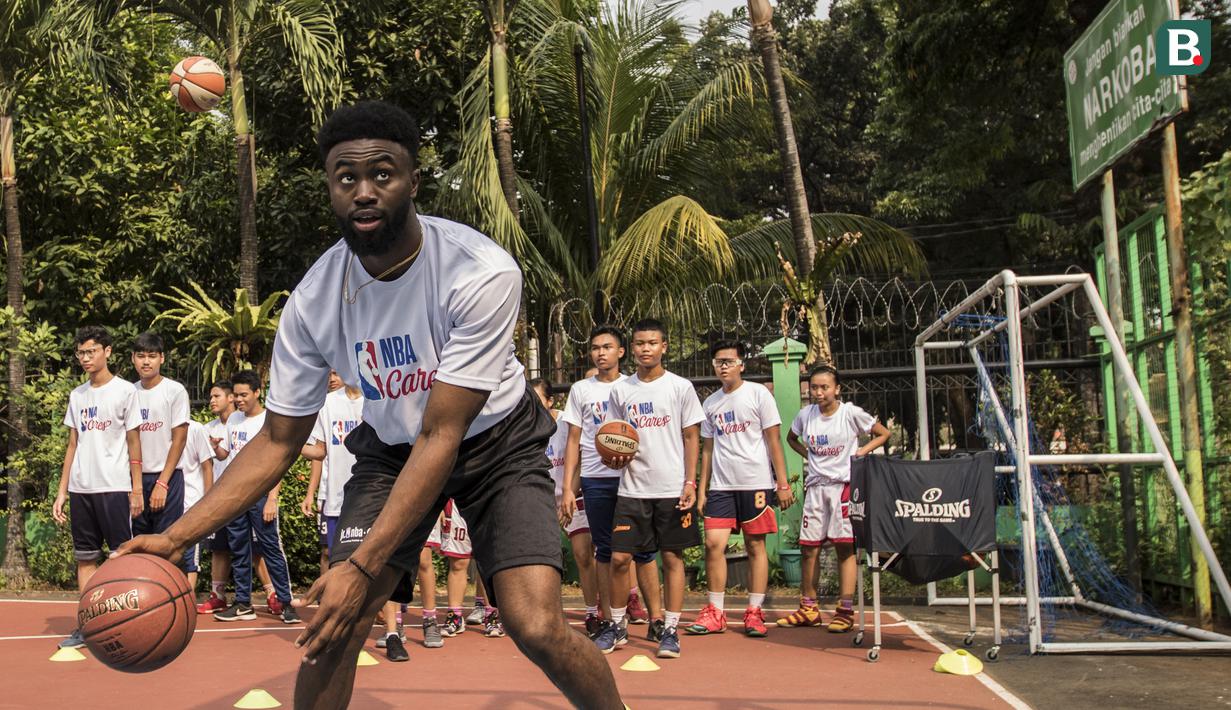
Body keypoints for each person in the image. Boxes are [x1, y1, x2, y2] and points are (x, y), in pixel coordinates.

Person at [116, 100, 621, 710]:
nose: (363, 190)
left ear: (413, 181)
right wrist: (176, 538)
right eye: (345, 177)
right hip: (389, 450)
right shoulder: (313, 300)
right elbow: (278, 440)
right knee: (335, 628)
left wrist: (363, 568)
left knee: (534, 624)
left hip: (495, 445)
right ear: (329, 187)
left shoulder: (479, 271)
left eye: (382, 173)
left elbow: (443, 433)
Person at [598, 318, 703, 659]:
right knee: (619, 559)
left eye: (652, 343)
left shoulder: (680, 387)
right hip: (632, 489)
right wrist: (613, 458)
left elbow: (692, 437)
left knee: (672, 558)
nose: (646, 348)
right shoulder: (621, 390)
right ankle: (616, 626)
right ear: (633, 347)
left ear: (664, 347)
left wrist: (690, 482)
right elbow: (614, 434)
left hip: (671, 487)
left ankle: (670, 630)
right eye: (640, 343)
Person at [685, 341, 794, 638]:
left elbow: (774, 441)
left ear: (741, 364)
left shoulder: (758, 394)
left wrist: (781, 484)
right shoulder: (710, 404)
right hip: (721, 487)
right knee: (713, 545)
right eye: (719, 361)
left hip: (755, 484)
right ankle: (715, 612)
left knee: (755, 547)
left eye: (729, 361)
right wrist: (702, 487)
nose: (723, 366)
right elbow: (707, 449)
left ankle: (754, 611)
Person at [560, 327, 658, 642]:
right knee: (604, 550)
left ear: (621, 352)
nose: (601, 353)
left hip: (632, 479)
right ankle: (607, 619)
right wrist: (567, 488)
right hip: (594, 478)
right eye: (595, 348)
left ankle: (657, 619)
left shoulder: (634, 387)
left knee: (641, 551)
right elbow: (573, 441)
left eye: (607, 347)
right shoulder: (580, 390)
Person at [52, 326, 143, 649]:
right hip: (81, 489)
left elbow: (134, 442)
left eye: (91, 351)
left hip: (115, 487)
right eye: (81, 353)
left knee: (121, 557)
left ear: (108, 351)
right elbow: (72, 444)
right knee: (85, 559)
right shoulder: (77, 395)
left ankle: (125, 622)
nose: (86, 358)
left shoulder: (125, 392)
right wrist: (63, 491)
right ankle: (87, 624)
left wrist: (137, 489)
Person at [783, 365, 890, 632]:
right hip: (816, 488)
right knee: (809, 549)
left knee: (845, 548)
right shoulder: (806, 415)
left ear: (837, 389)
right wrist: (810, 456)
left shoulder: (850, 413)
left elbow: (883, 433)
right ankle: (808, 608)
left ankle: (844, 609)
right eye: (814, 387)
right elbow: (791, 438)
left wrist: (862, 451)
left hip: (844, 487)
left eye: (824, 387)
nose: (818, 392)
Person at [213, 370, 298, 624]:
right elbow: (224, 455)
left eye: (244, 395)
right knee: (239, 549)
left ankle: (285, 603)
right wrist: (216, 446)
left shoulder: (268, 421)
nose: (239, 400)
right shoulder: (234, 421)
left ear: (258, 392)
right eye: (236, 395)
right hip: (237, 496)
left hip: (261, 494)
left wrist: (272, 498)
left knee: (271, 548)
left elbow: (279, 462)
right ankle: (242, 603)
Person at [532, 377, 599, 637]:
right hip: (542, 501)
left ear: (551, 401)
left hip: (572, 495)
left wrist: (569, 493)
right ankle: (543, 612)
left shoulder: (564, 424)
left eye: (538, 401)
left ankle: (593, 612)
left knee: (584, 554)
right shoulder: (525, 428)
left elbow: (578, 460)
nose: (533, 406)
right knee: (540, 561)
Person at [129, 333, 191, 568]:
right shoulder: (128, 392)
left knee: (169, 546)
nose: (146, 362)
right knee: (138, 545)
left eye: (152, 356)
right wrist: (135, 487)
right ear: (133, 359)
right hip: (135, 481)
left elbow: (179, 439)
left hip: (168, 478)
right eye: (141, 356)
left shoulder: (174, 391)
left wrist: (162, 484)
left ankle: (178, 601)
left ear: (162, 359)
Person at [302, 371, 346, 576]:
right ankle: (328, 600)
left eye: (336, 373)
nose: (332, 378)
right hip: (332, 498)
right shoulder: (326, 404)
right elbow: (319, 452)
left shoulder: (371, 400)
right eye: (328, 374)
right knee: (330, 553)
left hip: (366, 496)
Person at [179, 418, 215, 592]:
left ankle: (188, 597)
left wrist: (207, 502)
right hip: (169, 501)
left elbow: (208, 465)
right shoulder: (159, 426)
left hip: (192, 502)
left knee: (190, 556)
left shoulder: (196, 429)